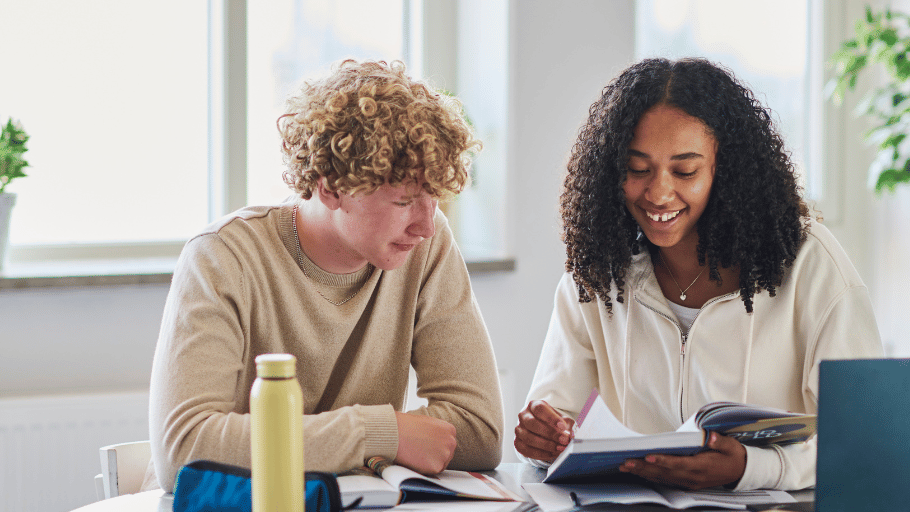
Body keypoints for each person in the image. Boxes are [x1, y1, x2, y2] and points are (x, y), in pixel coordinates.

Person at [514, 57, 883, 491]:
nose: (658, 192)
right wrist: (544, 435)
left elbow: (869, 440)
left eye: (685, 170)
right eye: (637, 169)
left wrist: (753, 468)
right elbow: (557, 413)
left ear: (724, 171)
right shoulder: (599, 271)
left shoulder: (810, 266)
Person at [145, 60, 503, 493]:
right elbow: (184, 450)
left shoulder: (426, 247)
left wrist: (321, 439)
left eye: (435, 198)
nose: (425, 226)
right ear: (329, 186)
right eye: (404, 201)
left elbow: (479, 430)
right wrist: (379, 432)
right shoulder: (222, 257)